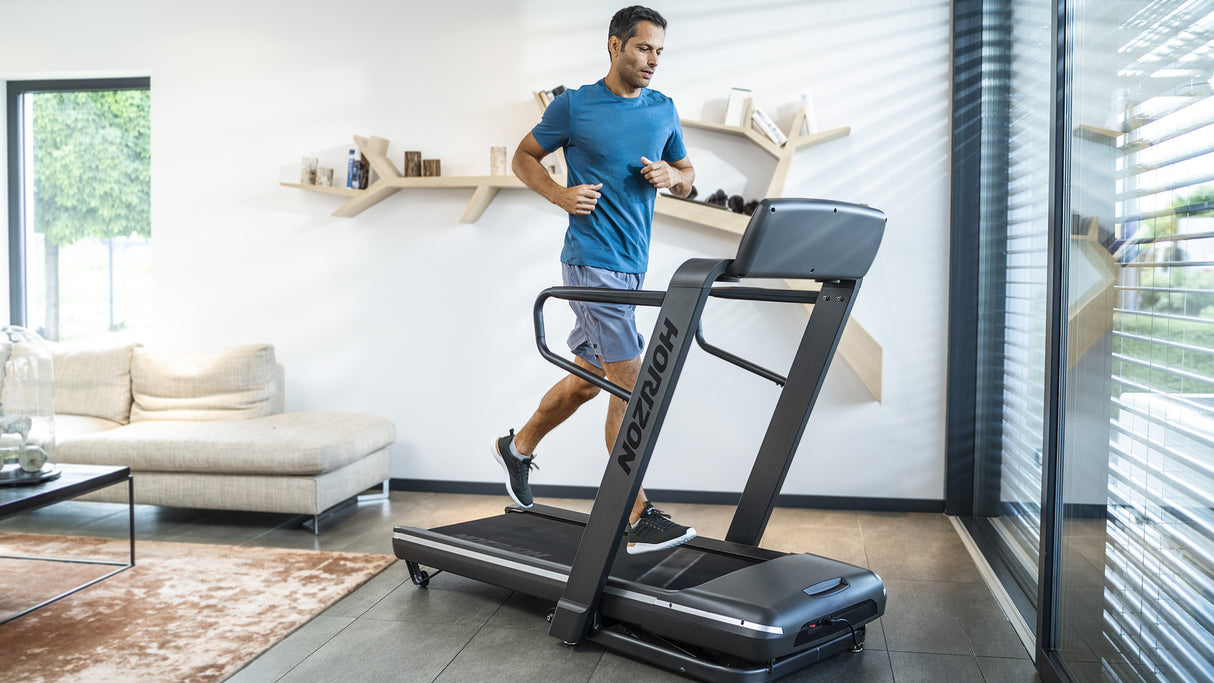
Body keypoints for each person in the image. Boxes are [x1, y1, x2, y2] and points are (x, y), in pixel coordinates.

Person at [495, 6, 697, 555]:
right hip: (591, 261)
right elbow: (524, 156)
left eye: (659, 51)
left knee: (589, 381)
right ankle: (635, 515)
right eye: (643, 48)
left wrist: (674, 177)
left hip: (632, 266)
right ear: (615, 45)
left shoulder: (663, 108)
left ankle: (518, 447)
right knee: (632, 385)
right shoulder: (575, 105)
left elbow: (688, 175)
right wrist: (560, 194)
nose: (653, 60)